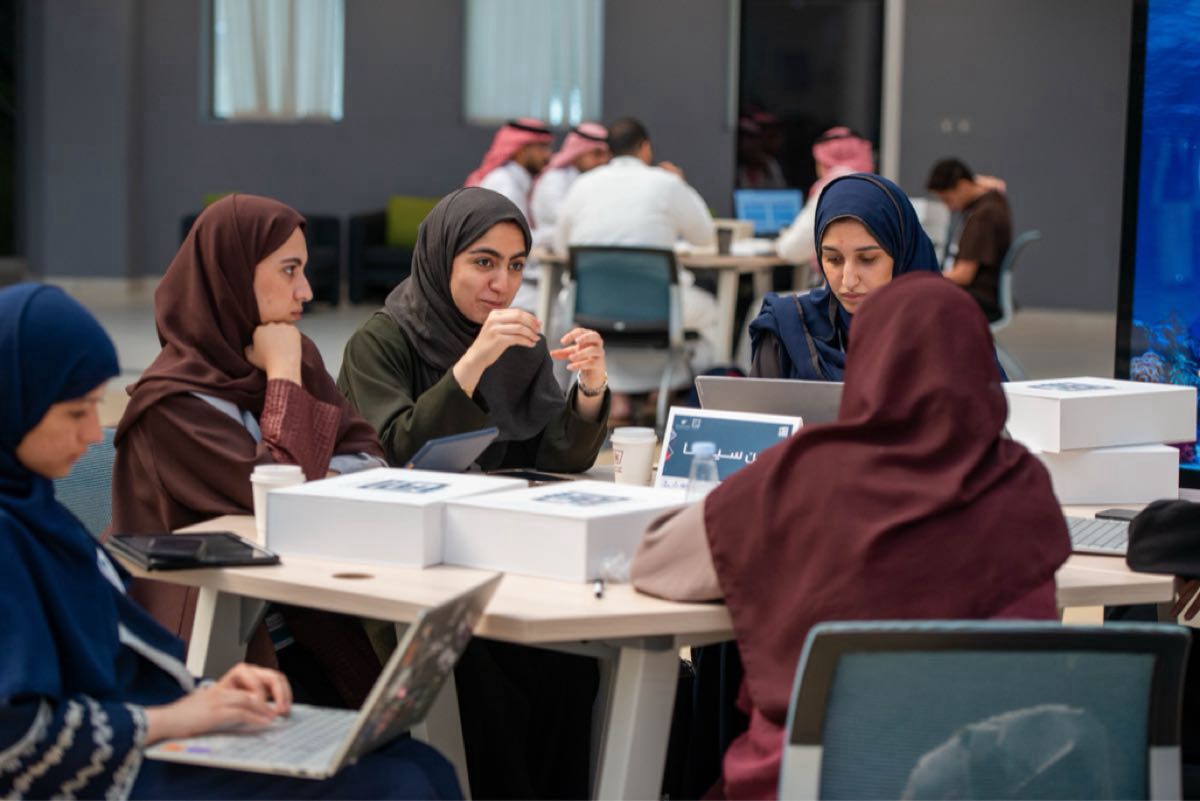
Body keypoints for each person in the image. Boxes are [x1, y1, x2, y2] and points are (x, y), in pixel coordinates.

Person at [0, 282, 460, 800]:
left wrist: (209, 694)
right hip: (113, 769)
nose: (92, 433)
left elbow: (116, 660)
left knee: (418, 761)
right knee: (398, 784)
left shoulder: (36, 512)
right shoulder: (15, 528)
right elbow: (15, 741)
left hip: (150, 731)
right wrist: (176, 717)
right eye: (75, 412)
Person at [632, 272, 1071, 800]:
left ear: (868, 362)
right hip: (986, 784)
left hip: (811, 781)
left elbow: (654, 562)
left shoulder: (803, 475)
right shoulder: (1022, 483)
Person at [111, 194, 387, 707]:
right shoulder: (171, 404)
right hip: (219, 650)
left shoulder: (294, 350)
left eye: (303, 270)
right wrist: (282, 377)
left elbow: (369, 452)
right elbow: (280, 497)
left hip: (305, 617)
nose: (306, 290)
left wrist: (315, 477)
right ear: (232, 275)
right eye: (289, 270)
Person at [337, 186, 609, 471]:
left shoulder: (518, 346)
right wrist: (475, 361)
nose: (502, 284)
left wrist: (590, 388)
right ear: (441, 259)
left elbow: (558, 457)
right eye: (484, 262)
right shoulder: (378, 342)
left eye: (516, 265)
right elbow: (396, 457)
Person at [555, 116, 721, 418]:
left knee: (594, 319)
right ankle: (679, 391)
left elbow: (560, 246)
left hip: (590, 308)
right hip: (659, 310)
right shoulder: (666, 183)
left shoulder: (582, 185)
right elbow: (705, 236)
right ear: (645, 148)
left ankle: (615, 394)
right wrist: (681, 184)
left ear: (609, 151)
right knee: (712, 312)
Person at [749, 172, 939, 380]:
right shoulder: (786, 330)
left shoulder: (944, 339)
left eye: (867, 259)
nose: (848, 281)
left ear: (903, 254)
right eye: (834, 259)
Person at [465, 118, 556, 311]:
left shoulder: (517, 182)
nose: (548, 155)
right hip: (495, 279)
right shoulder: (505, 184)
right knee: (556, 311)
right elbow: (518, 240)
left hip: (506, 272)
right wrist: (562, 233)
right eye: (542, 148)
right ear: (521, 149)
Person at [774, 127, 875, 280]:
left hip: (841, 286)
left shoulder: (831, 189)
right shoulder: (876, 188)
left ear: (823, 161)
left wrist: (779, 241)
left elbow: (793, 249)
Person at [927, 157, 1013, 322]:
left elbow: (963, 275)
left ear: (963, 185)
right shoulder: (995, 200)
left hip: (977, 300)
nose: (948, 207)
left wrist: (922, 277)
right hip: (984, 295)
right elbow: (985, 182)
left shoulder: (983, 216)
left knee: (912, 296)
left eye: (947, 199)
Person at [529, 121, 609, 233]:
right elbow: (567, 220)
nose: (604, 160)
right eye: (597, 154)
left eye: (607, 154)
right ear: (578, 152)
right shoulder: (554, 179)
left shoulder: (590, 179)